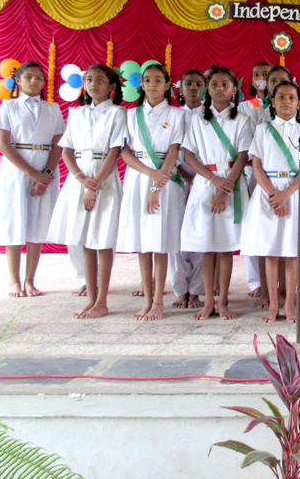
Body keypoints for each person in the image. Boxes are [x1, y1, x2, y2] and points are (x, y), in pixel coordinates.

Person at [47, 64, 127, 319]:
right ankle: (91, 298)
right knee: (85, 239)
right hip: (79, 177)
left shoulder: (117, 113)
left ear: (111, 86)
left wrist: (95, 183)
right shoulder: (77, 113)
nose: (93, 84)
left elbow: (114, 151)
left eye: (100, 80)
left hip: (104, 177)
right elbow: (67, 151)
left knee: (102, 239)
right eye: (89, 80)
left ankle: (102, 300)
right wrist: (81, 178)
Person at [0, 61, 65, 299]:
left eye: (38, 78)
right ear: (18, 81)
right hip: (16, 169)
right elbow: (3, 144)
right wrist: (32, 173)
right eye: (28, 77)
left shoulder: (53, 109)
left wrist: (46, 175)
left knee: (37, 223)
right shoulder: (8, 106)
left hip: (44, 165)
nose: (34, 81)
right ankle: (14, 280)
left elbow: (58, 145)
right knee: (14, 220)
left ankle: (30, 280)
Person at [180, 65, 252, 320]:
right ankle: (208, 301)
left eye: (225, 84)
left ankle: (223, 302)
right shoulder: (198, 119)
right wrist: (212, 179)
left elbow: (243, 156)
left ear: (234, 89)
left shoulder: (242, 120)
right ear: (207, 89)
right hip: (204, 183)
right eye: (214, 85)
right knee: (206, 246)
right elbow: (189, 155)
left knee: (225, 247)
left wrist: (226, 187)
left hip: (231, 184)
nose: (219, 89)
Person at [116, 63, 186, 321]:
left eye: (158, 80)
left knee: (160, 241)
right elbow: (124, 151)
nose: (153, 85)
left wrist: (157, 184)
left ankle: (158, 301)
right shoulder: (130, 115)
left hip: (165, 180)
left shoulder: (177, 115)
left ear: (167, 85)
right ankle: (146, 299)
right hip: (138, 177)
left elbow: (174, 151)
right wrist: (149, 174)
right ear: (141, 84)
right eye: (148, 80)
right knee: (142, 242)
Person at [242, 80, 300, 323]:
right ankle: (273, 305)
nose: (286, 102)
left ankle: (290, 304)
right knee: (270, 251)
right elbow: (256, 166)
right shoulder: (263, 130)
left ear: (299, 103)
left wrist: (287, 193)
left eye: (291, 97)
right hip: (267, 193)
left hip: (295, 193)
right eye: (281, 97)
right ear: (272, 102)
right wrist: (274, 194)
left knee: (292, 252)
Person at [239, 64, 296, 307]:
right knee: (265, 238)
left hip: (291, 185)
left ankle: (286, 292)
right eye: (272, 82)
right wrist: (273, 193)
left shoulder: (299, 119)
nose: (276, 85)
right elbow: (255, 159)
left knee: (287, 240)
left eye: (283, 81)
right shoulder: (255, 111)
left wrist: (286, 192)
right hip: (264, 181)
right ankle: (264, 289)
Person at [169, 70, 206, 309]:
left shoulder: (209, 115)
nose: (193, 88)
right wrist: (184, 175)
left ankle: (196, 291)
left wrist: (199, 178)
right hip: (176, 179)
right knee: (176, 236)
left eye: (198, 84)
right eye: (188, 84)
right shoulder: (174, 115)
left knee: (201, 234)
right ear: (180, 89)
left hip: (205, 179)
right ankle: (180, 289)